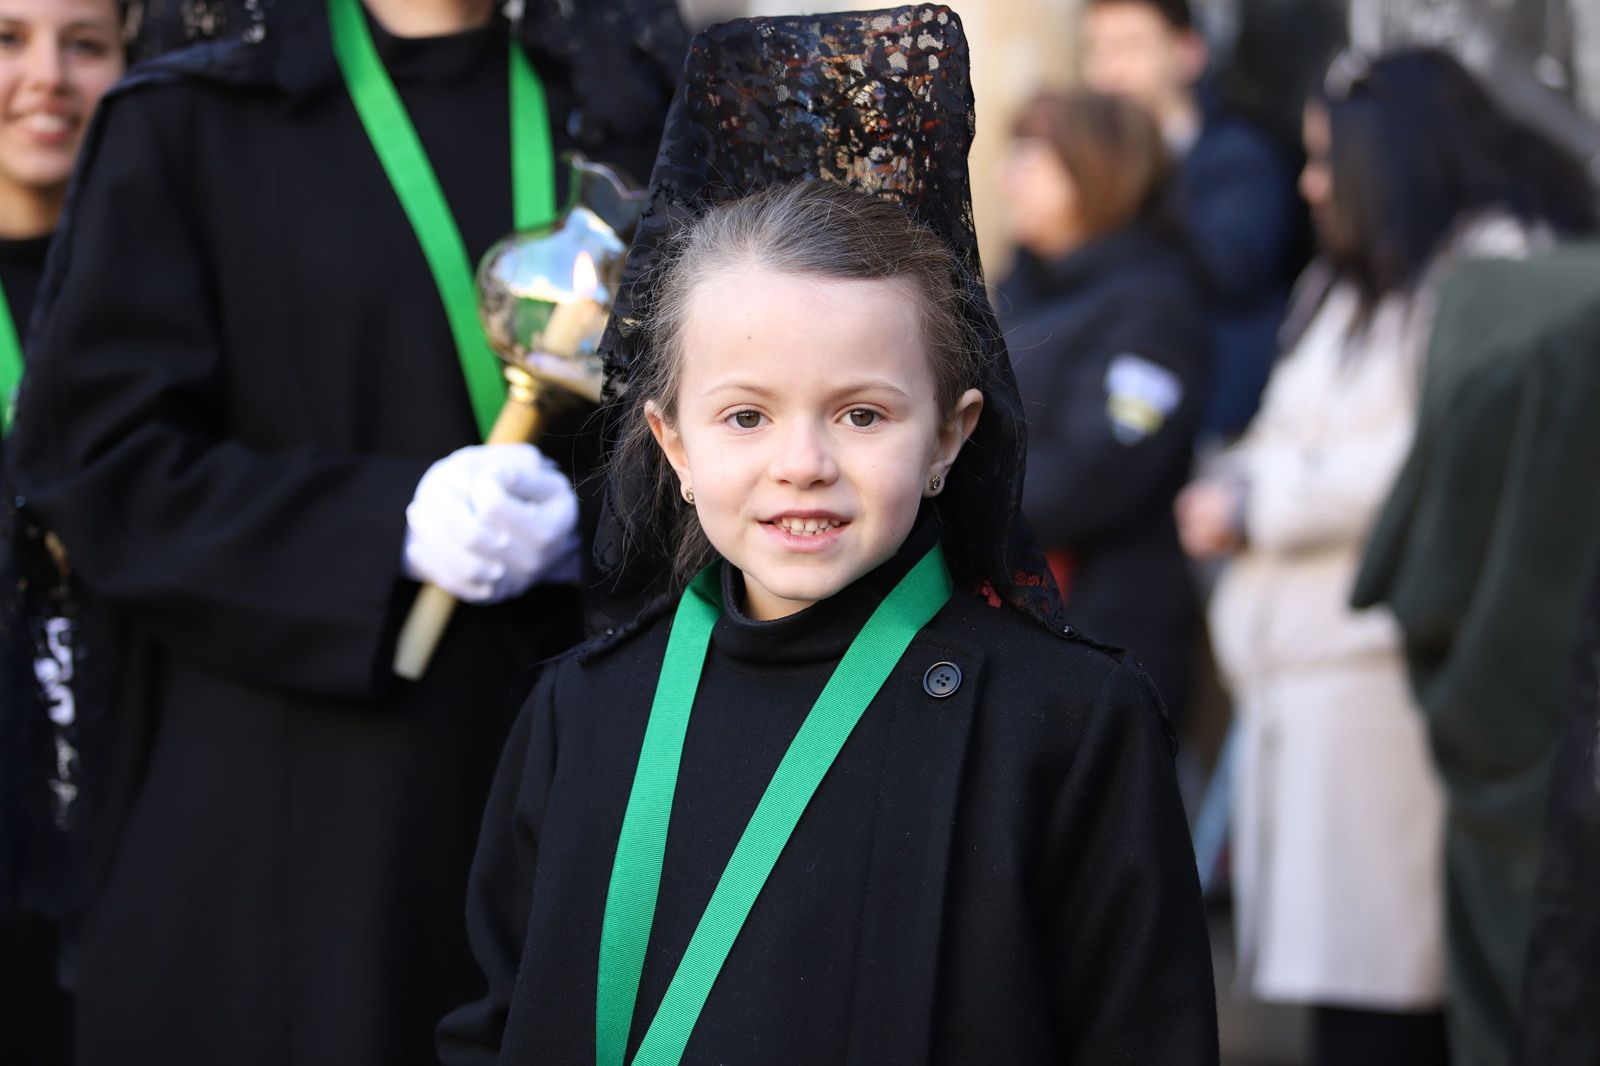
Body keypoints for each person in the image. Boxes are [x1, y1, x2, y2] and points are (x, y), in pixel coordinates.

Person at [438, 10, 1218, 1065]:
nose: (800, 462)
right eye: (745, 416)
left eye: (861, 413)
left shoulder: (1070, 729)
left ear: (950, 432)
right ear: (671, 440)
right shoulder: (579, 713)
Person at [0, 0, 679, 1063]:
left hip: (568, 783)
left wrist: (594, 522)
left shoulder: (628, 107)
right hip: (283, 829)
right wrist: (384, 525)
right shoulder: (194, 114)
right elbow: (96, 461)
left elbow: (729, 420)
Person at [1177, 48, 1595, 1066]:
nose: (1310, 183)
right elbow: (1283, 427)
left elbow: (1433, 450)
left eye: (1327, 160)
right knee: (1342, 993)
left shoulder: (1493, 278)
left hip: (1389, 689)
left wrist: (1261, 498)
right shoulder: (1347, 286)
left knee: (1391, 996)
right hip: (1300, 683)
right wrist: (1241, 476)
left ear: (1393, 160)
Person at [997, 88, 1205, 728]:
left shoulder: (1153, 301)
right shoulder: (1024, 287)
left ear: (1096, 171)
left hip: (1109, 626)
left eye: (1034, 158)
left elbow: (1102, 467)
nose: (1010, 179)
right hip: (1024, 611)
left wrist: (960, 507)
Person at [0, 6, 125, 1062]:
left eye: (84, 44)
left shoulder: (181, 287)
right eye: (6, 39)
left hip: (140, 837)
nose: (47, 77)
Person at [1080, 0, 1301, 442]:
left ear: (1188, 54)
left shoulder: (1237, 155)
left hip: (1209, 415)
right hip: (1102, 407)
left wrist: (1145, 177)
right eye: (1097, 50)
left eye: (1130, 47)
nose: (1110, 72)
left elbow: (1233, 269)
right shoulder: (1087, 168)